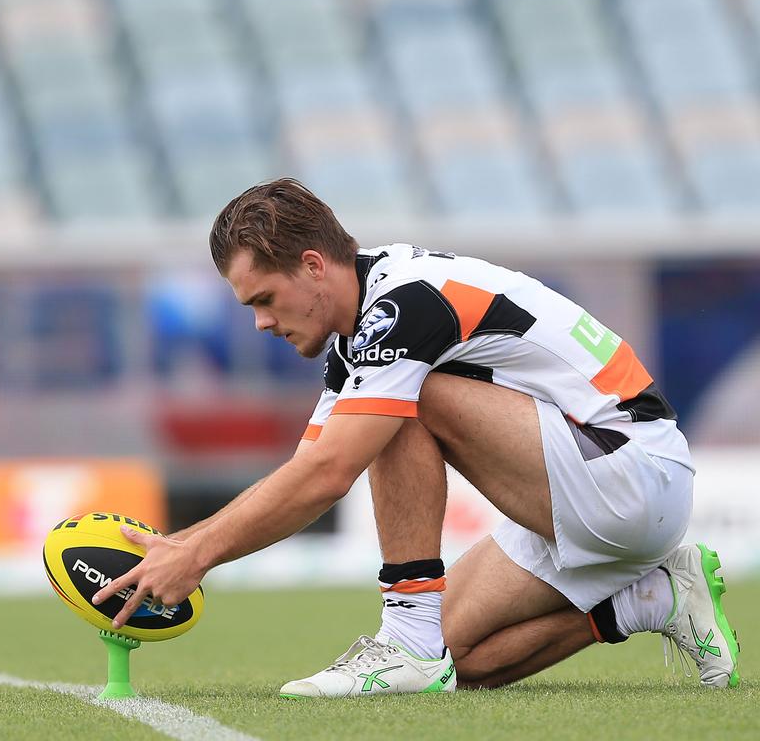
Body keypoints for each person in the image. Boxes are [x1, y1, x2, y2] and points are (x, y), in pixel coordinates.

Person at [92, 178, 740, 695]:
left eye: (263, 298)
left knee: (400, 403)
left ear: (313, 265)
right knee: (459, 661)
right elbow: (309, 470)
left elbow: (329, 473)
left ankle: (404, 642)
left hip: (628, 470)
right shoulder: (365, 332)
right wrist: (180, 547)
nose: (261, 323)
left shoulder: (402, 308)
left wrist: (198, 555)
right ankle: (651, 600)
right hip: (591, 486)